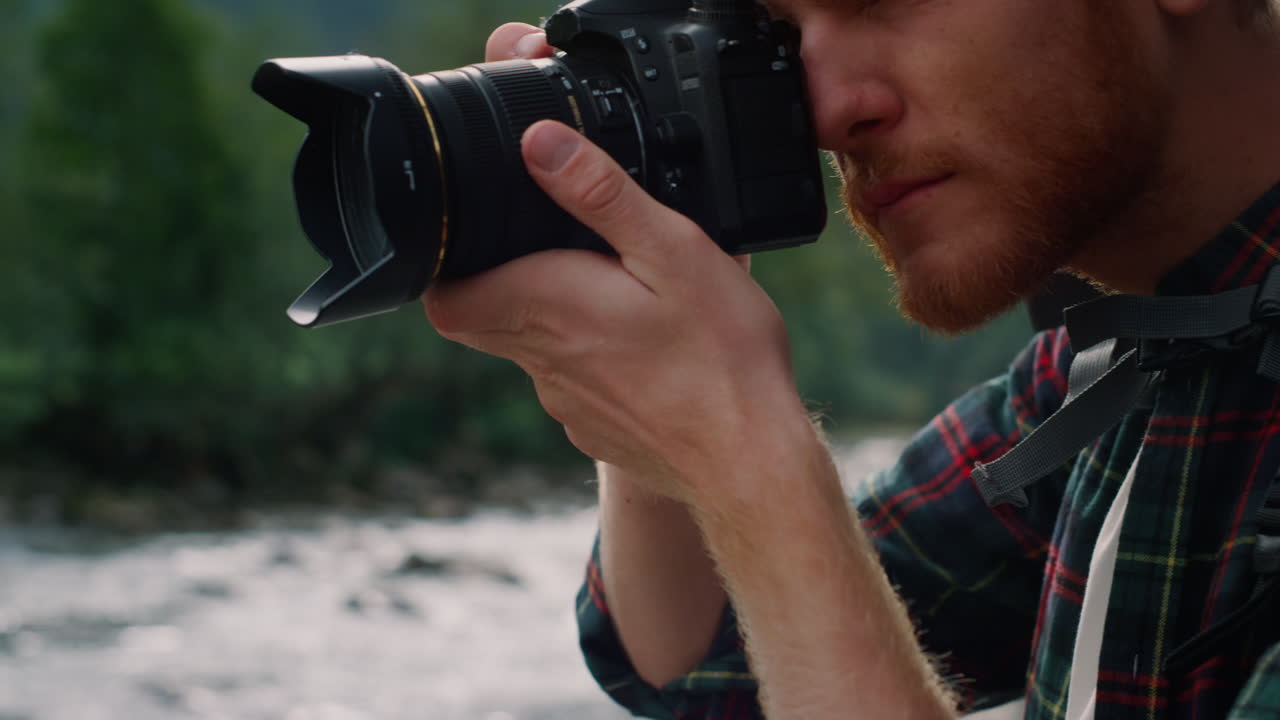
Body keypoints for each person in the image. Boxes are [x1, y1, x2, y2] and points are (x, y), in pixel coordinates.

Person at [423, 0, 1280, 717]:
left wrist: (747, 456)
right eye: (783, 39)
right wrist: (645, 259)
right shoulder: (1123, 370)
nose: (827, 111)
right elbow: (717, 670)